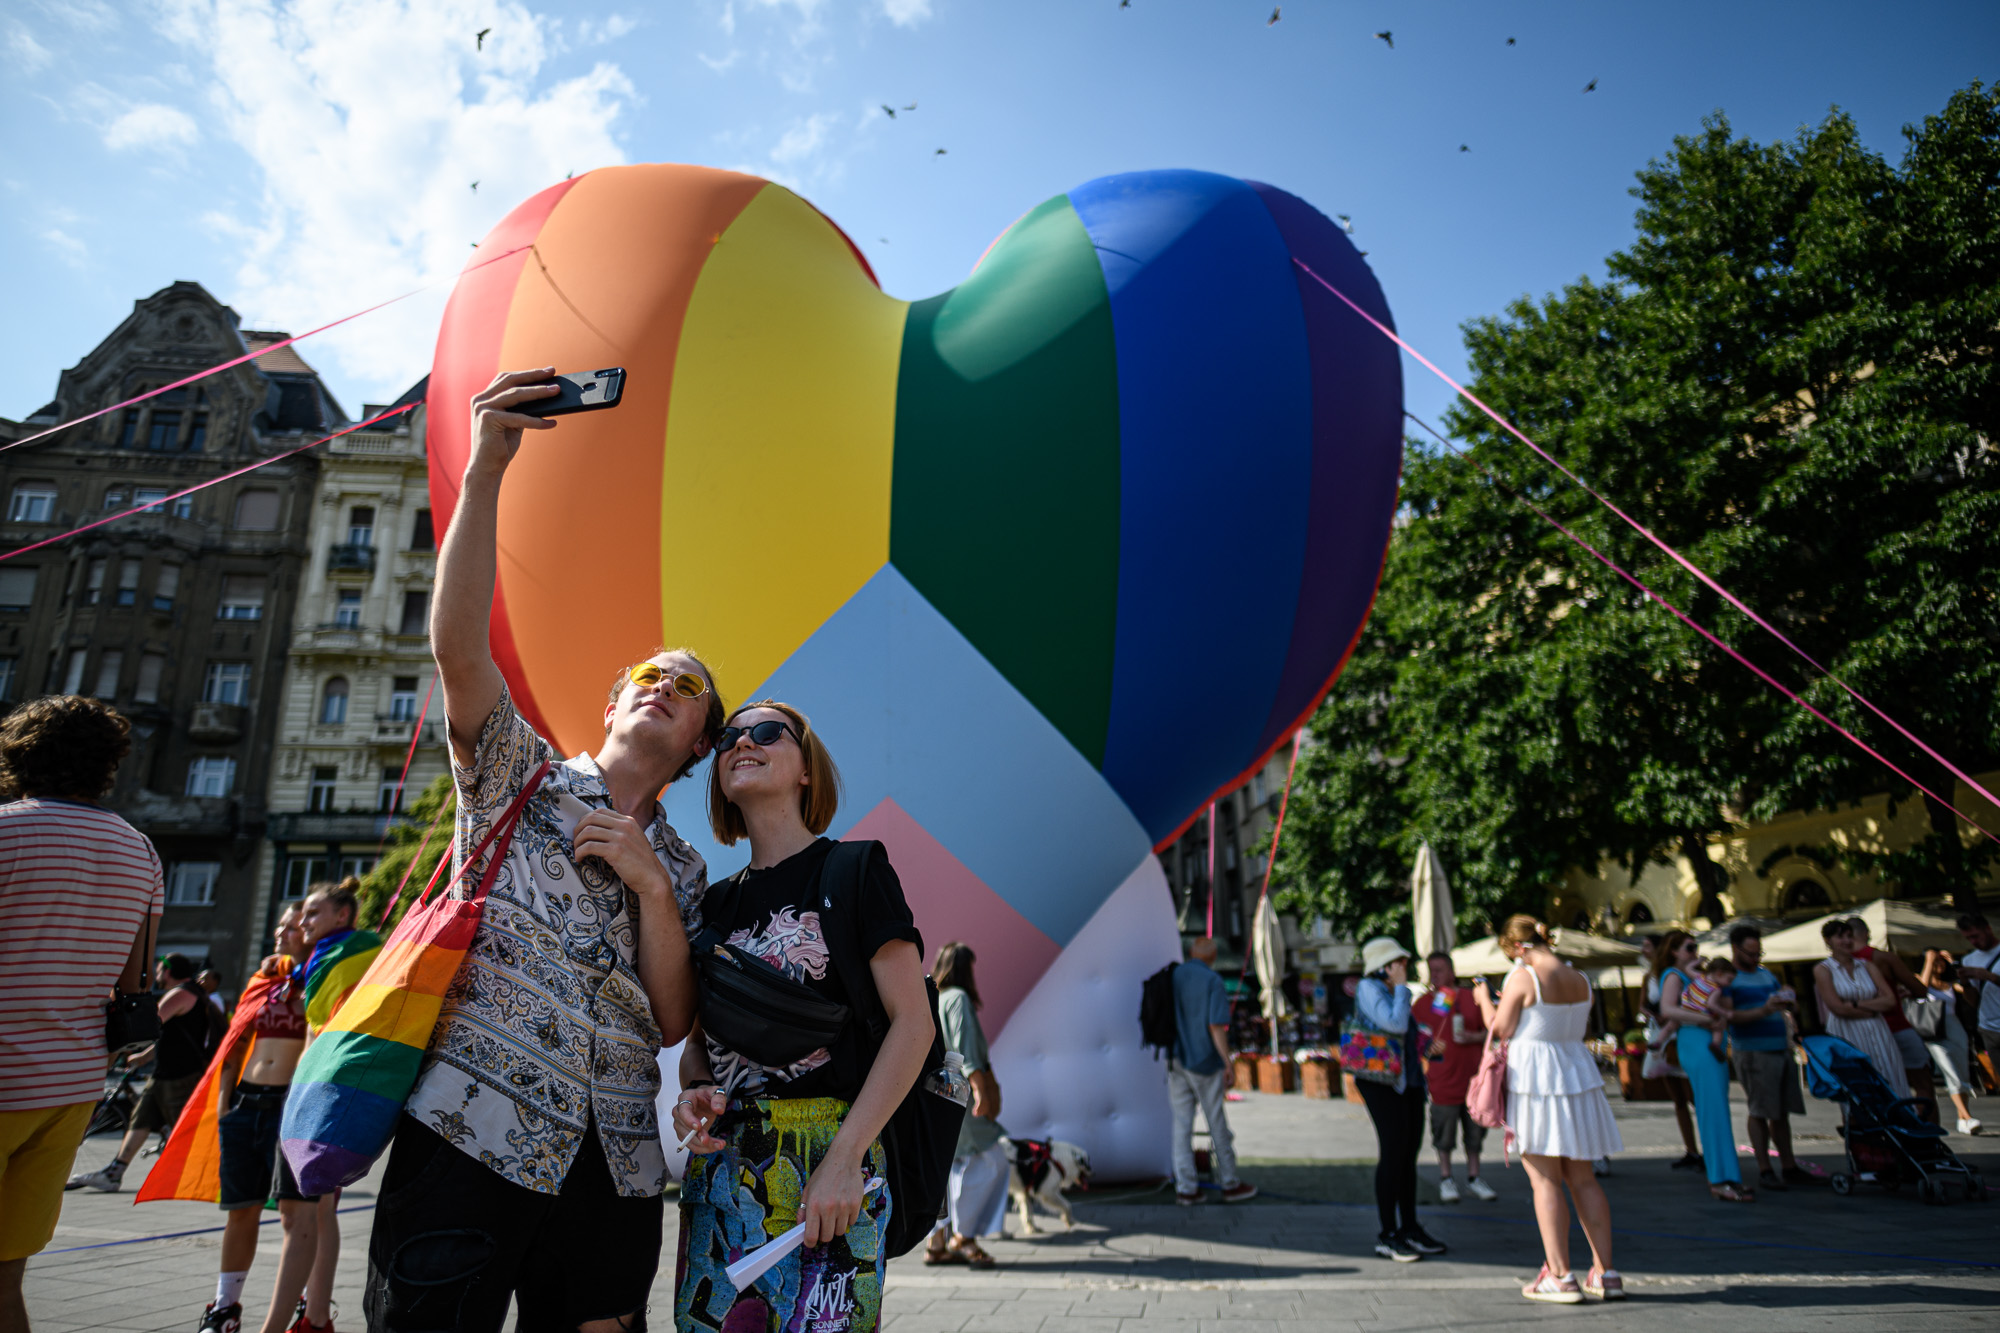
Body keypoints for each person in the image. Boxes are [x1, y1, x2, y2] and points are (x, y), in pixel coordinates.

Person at [364, 367, 719, 1333]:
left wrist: (649, 884)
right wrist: (486, 467)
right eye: (646, 673)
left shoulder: (685, 869)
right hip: (470, 1124)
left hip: (614, 1158)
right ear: (611, 703)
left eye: (684, 687)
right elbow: (458, 651)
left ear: (697, 744)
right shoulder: (520, 770)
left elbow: (678, 1017)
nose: (661, 684)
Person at [671, 701, 933, 1333]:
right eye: (730, 736)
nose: (742, 742)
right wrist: (693, 1092)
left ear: (807, 769)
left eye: (766, 732)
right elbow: (700, 1049)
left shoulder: (856, 868)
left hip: (829, 1161)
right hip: (725, 1172)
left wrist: (846, 1159)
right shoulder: (712, 904)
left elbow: (913, 1025)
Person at [0, 695, 163, 1333]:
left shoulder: (6, 831)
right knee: (8, 1275)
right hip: (68, 1089)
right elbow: (134, 980)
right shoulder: (139, 852)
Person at [193, 904, 334, 1333]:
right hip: (245, 1104)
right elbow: (236, 1044)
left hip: (290, 1107)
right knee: (240, 1210)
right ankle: (225, 1307)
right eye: (281, 923)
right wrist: (223, 1101)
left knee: (303, 1216)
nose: (282, 931)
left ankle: (308, 1310)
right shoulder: (264, 978)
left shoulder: (324, 975)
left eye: (293, 925)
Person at [1478, 915, 1622, 1304]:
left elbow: (1502, 1027)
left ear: (1517, 948)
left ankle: (1559, 1275)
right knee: (1584, 1178)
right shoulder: (1580, 979)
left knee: (1545, 1180)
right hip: (1576, 1074)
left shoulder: (1524, 977)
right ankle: (1606, 1272)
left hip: (1537, 1081)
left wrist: (1482, 1001)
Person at [66, 952, 213, 1192]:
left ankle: (200, 1177)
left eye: (158, 970)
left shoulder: (179, 994)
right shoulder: (194, 993)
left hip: (179, 1075)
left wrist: (120, 1039)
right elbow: (169, 1038)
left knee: (183, 1129)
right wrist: (142, 1057)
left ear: (167, 971)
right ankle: (114, 1173)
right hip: (165, 1073)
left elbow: (149, 1025)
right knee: (141, 1119)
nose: (156, 975)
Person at [1353, 937, 1446, 1263]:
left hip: (1408, 1081)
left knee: (1408, 1155)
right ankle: (1387, 1233)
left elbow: (1402, 1031)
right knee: (1393, 1153)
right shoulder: (1370, 987)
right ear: (1384, 966)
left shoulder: (1393, 991)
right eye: (1399, 962)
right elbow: (1390, 1022)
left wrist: (1425, 1044)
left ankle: (1409, 1227)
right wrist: (1404, 989)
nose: (1404, 967)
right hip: (1381, 1082)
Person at [925, 942, 1005, 1268]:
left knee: (948, 1167)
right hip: (960, 1093)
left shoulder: (935, 997)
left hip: (938, 1093)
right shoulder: (957, 998)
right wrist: (980, 1089)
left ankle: (936, 1241)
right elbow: (965, 1048)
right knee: (989, 1159)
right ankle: (966, 1236)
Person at [1162, 936, 1256, 1207]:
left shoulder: (1174, 975)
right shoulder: (1212, 980)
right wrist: (1228, 1062)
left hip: (1175, 1059)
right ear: (1213, 956)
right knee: (1216, 1122)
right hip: (1203, 1060)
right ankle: (1230, 1184)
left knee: (1181, 1126)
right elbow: (1216, 1026)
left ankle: (1187, 1189)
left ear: (1191, 953)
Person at [1656, 931, 1749, 1201]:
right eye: (1689, 948)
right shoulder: (1675, 976)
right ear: (1674, 951)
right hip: (1697, 1040)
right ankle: (1721, 1179)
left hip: (1706, 1041)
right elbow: (1668, 1010)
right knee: (1713, 1110)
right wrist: (1706, 1019)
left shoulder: (1698, 977)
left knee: (1716, 1108)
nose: (1694, 952)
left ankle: (1727, 1176)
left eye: (1695, 947)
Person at [1722, 925, 1812, 1193]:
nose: (1756, 957)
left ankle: (1789, 1166)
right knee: (1760, 1110)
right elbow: (1729, 1017)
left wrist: (1789, 1002)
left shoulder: (1766, 974)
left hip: (1780, 1047)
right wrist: (1764, 1010)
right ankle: (1764, 1169)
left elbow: (1781, 1002)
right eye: (1751, 953)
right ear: (1736, 949)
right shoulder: (1729, 979)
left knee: (1781, 1111)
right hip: (1752, 1051)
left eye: (1759, 952)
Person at [1411, 953, 1494, 1202]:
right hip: (1443, 1080)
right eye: (1431, 970)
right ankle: (1446, 1178)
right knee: (1443, 1133)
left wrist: (1473, 1038)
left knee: (1475, 1133)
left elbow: (1491, 1030)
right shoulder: (1424, 1003)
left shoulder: (1471, 998)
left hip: (1473, 1079)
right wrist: (1426, 1047)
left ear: (1451, 971)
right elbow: (1415, 1039)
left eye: (1439, 970)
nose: (1434, 975)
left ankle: (1474, 1177)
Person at [1812, 918, 1910, 1099]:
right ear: (1828, 941)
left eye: (1849, 936)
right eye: (1840, 937)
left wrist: (1858, 1005)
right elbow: (1838, 1008)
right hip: (1846, 1031)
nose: (1847, 941)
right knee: (1856, 1083)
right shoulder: (1823, 969)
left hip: (1876, 1028)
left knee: (1889, 1073)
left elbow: (1889, 999)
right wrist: (1873, 1007)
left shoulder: (1867, 966)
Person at [1850, 917, 1937, 1119]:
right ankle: (1929, 1134)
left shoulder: (1838, 966)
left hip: (1864, 1033)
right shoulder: (1882, 958)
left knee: (1881, 1086)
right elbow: (1920, 990)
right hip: (1896, 1026)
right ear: (1867, 934)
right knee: (1923, 1085)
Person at [1637, 934, 1701, 1171]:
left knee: (1694, 1095)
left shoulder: (1679, 974)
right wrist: (1654, 1013)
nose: (1643, 949)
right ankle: (1691, 1149)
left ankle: (1706, 1148)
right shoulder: (1651, 977)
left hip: (1680, 1035)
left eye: (1646, 945)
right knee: (1678, 1098)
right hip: (1662, 1035)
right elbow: (1642, 1004)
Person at [1918, 950, 1981, 1135]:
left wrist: (1953, 962)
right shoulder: (1921, 981)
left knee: (1962, 1073)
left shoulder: (1950, 985)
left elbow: (1970, 993)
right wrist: (1929, 959)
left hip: (1955, 1029)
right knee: (1951, 1073)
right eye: (1936, 961)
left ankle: (1962, 1119)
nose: (1939, 964)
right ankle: (1967, 1116)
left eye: (1941, 961)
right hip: (1934, 1031)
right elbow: (1921, 988)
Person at [1960, 913, 2000, 1079]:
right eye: (1969, 938)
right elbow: (1974, 1001)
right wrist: (1965, 983)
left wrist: (1991, 977)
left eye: (1976, 936)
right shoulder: (1969, 959)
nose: (1974, 942)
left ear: (1988, 929)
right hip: (1989, 1028)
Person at [1678, 958, 1738, 1059]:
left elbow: (1687, 968)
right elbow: (1711, 1005)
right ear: (1719, 973)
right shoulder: (1716, 990)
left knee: (1671, 1024)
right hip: (1701, 1013)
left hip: (1686, 1006)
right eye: (1729, 980)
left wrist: (1698, 961)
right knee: (1719, 1029)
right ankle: (1715, 1044)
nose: (1729, 984)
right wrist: (1725, 1013)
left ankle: (1660, 1040)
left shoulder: (1700, 977)